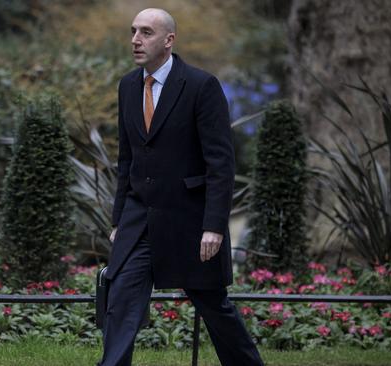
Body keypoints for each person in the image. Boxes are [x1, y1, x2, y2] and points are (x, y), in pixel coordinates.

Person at [97, 8, 265, 366]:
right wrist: (118, 221)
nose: (135, 40)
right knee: (121, 298)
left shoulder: (201, 86)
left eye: (145, 32)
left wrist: (213, 226)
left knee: (213, 306)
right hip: (139, 219)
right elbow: (127, 160)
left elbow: (220, 163)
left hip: (190, 220)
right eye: (133, 31)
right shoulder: (128, 85)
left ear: (169, 40)